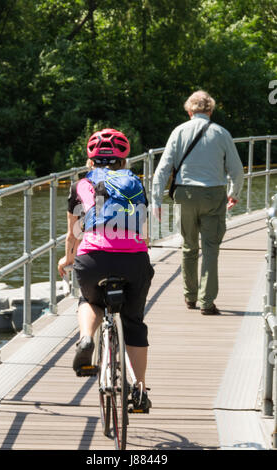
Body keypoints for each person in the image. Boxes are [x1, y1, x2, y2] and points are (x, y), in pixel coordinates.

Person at [58, 128, 154, 411]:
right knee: (134, 323)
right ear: (124, 161)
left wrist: (67, 260)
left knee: (89, 300)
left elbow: (73, 235)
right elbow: (145, 232)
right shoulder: (135, 183)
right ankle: (139, 390)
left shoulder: (80, 186)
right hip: (133, 259)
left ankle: (86, 337)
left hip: (93, 259)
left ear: (91, 161)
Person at [152, 90, 244, 315]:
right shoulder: (222, 133)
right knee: (211, 248)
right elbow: (237, 170)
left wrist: (156, 200)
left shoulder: (178, 132)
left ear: (189, 110)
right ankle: (207, 301)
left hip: (185, 195)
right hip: (213, 195)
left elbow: (163, 168)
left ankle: (190, 296)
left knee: (188, 246)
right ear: (210, 111)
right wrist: (234, 192)